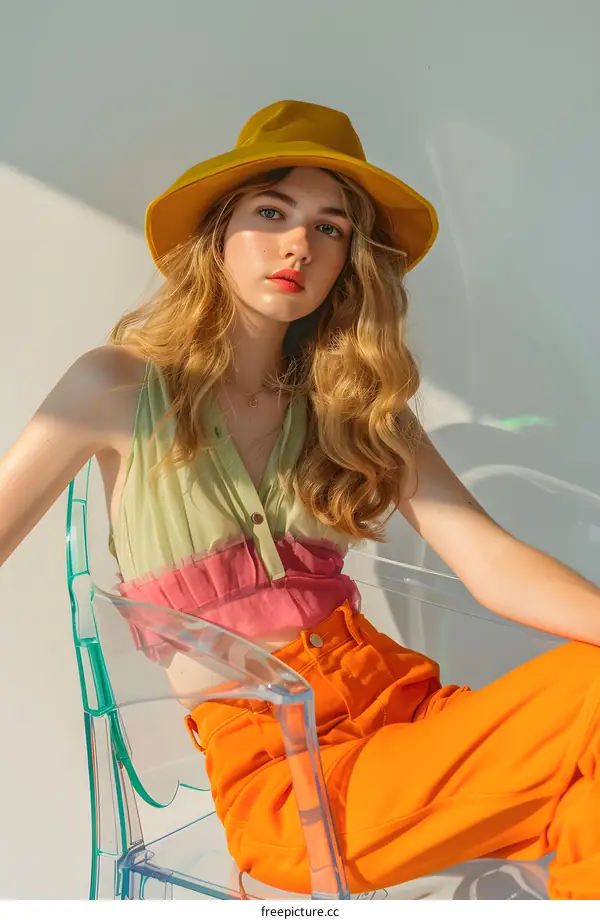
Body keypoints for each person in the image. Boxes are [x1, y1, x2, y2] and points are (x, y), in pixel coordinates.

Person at [1, 100, 600, 900]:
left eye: (330, 228)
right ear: (218, 233)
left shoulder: (353, 404)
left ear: (350, 259)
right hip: (291, 779)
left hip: (407, 714)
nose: (298, 245)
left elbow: (490, 562)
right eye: (272, 211)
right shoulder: (113, 387)